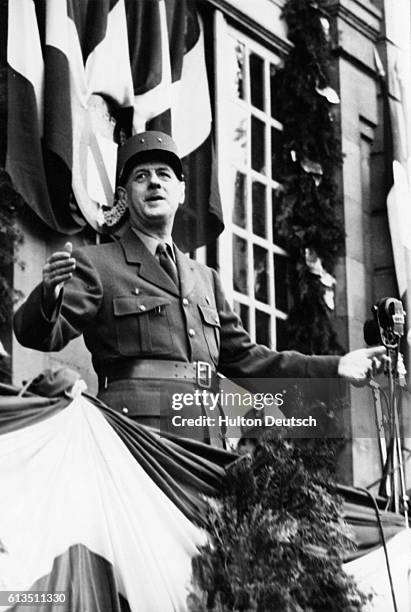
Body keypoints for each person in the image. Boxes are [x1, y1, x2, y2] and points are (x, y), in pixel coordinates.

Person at [14, 130, 386, 444]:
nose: (154, 182)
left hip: (206, 436)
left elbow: (248, 360)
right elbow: (39, 336)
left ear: (182, 192)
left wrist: (336, 365)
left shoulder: (205, 279)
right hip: (135, 435)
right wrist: (49, 296)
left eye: (163, 174)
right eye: (141, 176)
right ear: (126, 196)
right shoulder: (97, 263)